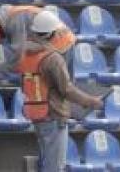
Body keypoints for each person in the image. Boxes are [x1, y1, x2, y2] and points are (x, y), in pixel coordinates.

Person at [19, 10, 102, 172]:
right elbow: (67, 89)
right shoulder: (53, 58)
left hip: (36, 111)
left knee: (46, 160)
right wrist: (90, 101)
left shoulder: (24, 55)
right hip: (54, 114)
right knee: (54, 166)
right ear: (51, 34)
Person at [0, 5, 76, 72]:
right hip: (64, 42)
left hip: (60, 46)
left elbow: (18, 52)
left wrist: (2, 69)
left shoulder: (15, 20)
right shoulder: (10, 14)